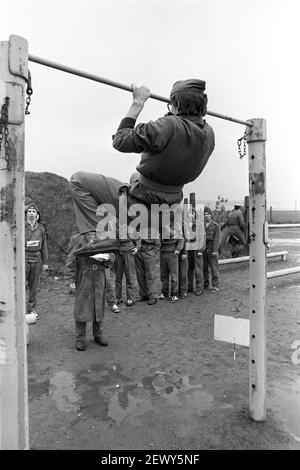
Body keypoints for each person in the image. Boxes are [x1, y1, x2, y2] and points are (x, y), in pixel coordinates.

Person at [69, 79, 215, 249]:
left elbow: (121, 140)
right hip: (165, 211)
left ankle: (98, 238)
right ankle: (126, 238)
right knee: (135, 176)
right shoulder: (208, 133)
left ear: (176, 104)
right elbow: (180, 134)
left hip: (141, 206)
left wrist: (137, 103)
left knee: (78, 180)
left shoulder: (169, 126)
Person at [64, 233, 115, 351]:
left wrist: (107, 257)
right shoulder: (77, 238)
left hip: (100, 275)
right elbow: (71, 258)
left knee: (98, 305)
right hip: (84, 276)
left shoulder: (103, 236)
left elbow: (112, 255)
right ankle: (80, 338)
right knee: (82, 307)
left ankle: (98, 334)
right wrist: (70, 279)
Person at [25, 203, 49, 320]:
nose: (31, 213)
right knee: (20, 286)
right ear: (26, 214)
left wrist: (45, 262)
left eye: (34, 212)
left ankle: (31, 310)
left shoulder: (41, 229)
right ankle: (18, 310)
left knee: (34, 287)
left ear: (37, 215)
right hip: (24, 259)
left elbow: (44, 246)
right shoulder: (21, 227)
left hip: (37, 259)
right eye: (29, 211)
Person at [185, 208, 206, 296]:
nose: (191, 215)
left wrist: (201, 249)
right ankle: (190, 286)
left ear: (195, 214)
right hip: (189, 249)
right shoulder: (186, 225)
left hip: (197, 249)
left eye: (192, 213)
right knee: (189, 269)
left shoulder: (199, 224)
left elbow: (203, 237)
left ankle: (199, 288)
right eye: (189, 213)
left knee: (198, 269)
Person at [159, 234, 184, 303]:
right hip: (163, 252)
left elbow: (181, 240)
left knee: (174, 275)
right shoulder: (162, 228)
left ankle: (174, 294)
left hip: (173, 253)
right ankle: (164, 292)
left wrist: (178, 249)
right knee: (163, 274)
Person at [134, 238, 158, 305]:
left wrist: (153, 252)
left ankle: (153, 297)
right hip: (138, 253)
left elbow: (158, 243)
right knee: (140, 276)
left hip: (149, 251)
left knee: (150, 275)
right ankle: (144, 295)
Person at [114, 239, 137, 306]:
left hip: (128, 251)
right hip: (117, 251)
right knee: (118, 276)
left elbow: (136, 235)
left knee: (129, 276)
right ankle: (118, 297)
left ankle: (130, 297)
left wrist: (136, 247)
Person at [203, 206, 220, 292]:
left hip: (212, 248)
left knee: (214, 268)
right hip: (203, 248)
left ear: (211, 215)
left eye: (208, 214)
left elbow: (217, 239)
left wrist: (214, 250)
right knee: (204, 268)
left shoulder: (215, 226)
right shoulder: (202, 225)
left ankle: (215, 285)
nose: (206, 216)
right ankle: (206, 284)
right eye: (205, 214)